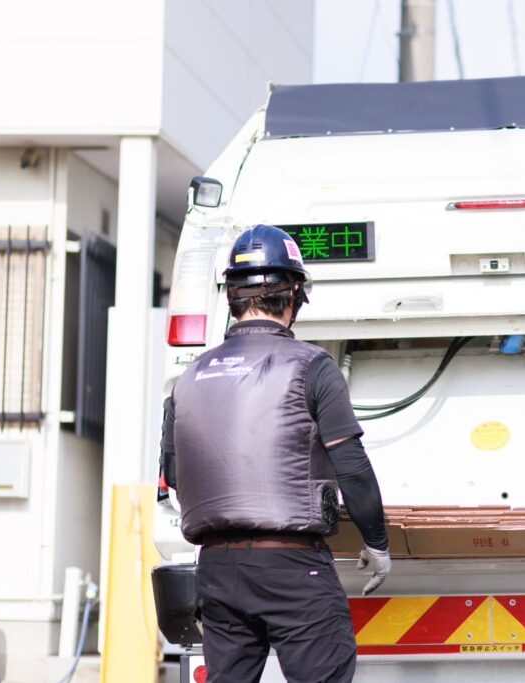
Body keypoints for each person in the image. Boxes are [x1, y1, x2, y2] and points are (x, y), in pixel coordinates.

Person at [159, 224, 390, 683]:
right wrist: (377, 543)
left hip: (217, 571)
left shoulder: (189, 378)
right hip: (290, 567)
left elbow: (174, 474)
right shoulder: (312, 366)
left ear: (232, 296)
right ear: (295, 294)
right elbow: (353, 467)